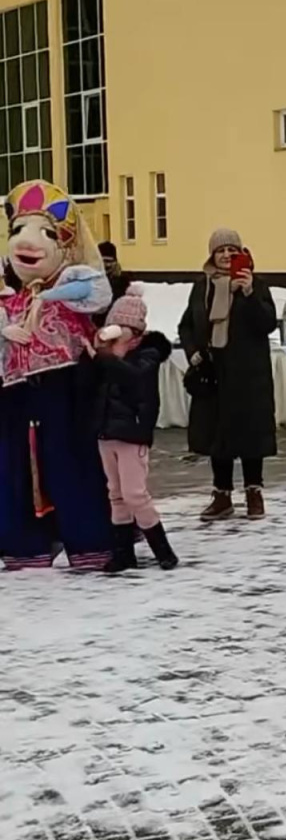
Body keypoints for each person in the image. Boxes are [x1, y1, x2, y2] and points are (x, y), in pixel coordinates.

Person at [0, 180, 114, 571]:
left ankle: (89, 542)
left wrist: (47, 296)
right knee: (14, 469)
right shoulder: (7, 298)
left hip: (64, 387)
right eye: (17, 232)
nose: (25, 244)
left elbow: (98, 292)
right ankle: (25, 545)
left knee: (70, 462)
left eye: (46, 234)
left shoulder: (69, 287)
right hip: (13, 392)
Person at [178, 229, 277, 522]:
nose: (226, 256)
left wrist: (247, 294)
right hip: (214, 372)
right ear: (212, 255)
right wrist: (193, 350)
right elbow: (186, 325)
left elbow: (267, 324)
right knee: (216, 434)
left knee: (250, 433)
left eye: (232, 251)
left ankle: (253, 492)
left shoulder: (256, 285)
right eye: (221, 250)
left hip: (248, 373)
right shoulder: (202, 286)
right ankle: (222, 495)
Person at [87, 284, 176, 572]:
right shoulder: (107, 356)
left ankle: (163, 551)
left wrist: (107, 357)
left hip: (132, 433)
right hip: (106, 432)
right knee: (115, 493)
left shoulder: (146, 355)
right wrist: (94, 356)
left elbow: (133, 379)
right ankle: (123, 553)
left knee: (135, 493)